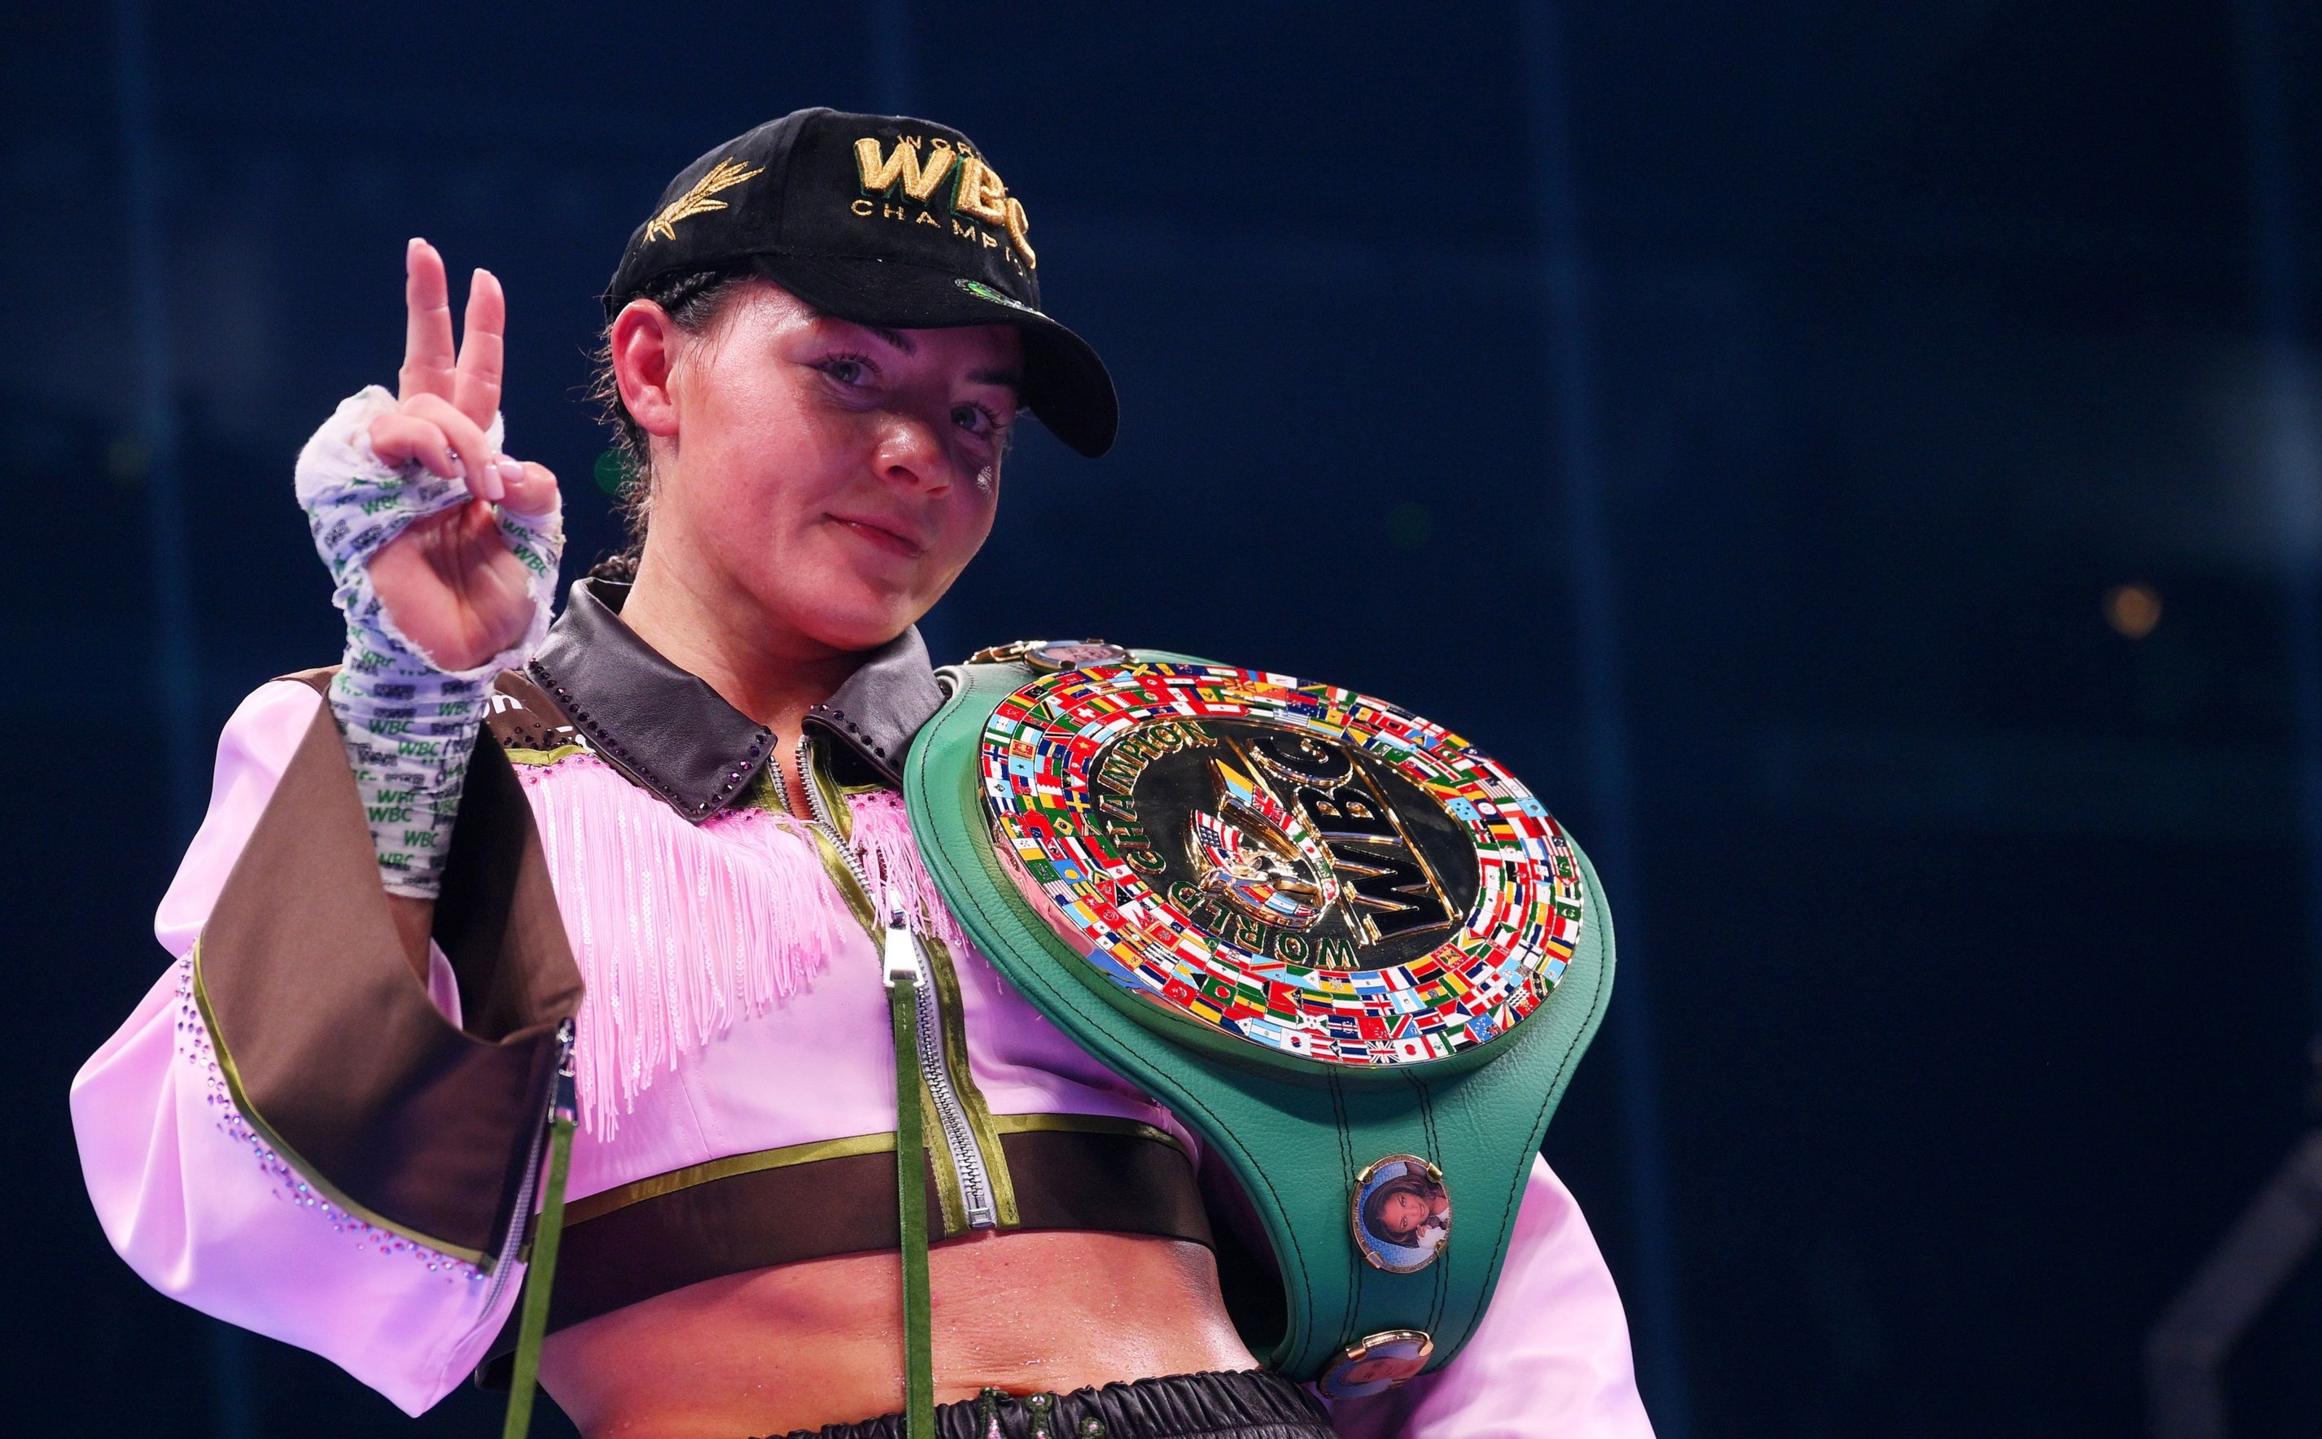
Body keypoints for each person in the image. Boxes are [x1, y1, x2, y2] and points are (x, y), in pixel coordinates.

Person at [69, 107, 1652, 1439]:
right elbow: (226, 1199)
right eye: (850, 373)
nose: (922, 453)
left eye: (976, 413)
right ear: (651, 368)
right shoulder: (448, 761)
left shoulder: (1124, 776)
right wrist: (416, 688)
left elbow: (1465, 1236)